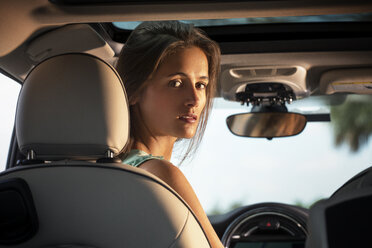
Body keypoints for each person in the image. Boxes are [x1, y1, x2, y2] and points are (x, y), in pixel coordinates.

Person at [116, 21, 223, 248]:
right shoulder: (160, 174)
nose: (194, 99)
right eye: (176, 83)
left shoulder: (115, 170)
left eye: (201, 84)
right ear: (134, 91)